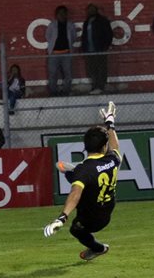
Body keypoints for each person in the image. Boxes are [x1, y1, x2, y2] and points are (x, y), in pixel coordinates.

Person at [42, 101, 120, 261]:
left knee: (75, 229)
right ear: (104, 147)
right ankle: (69, 172)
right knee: (79, 176)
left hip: (90, 219)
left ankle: (99, 248)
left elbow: (75, 194)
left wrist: (62, 217)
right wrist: (110, 123)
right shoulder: (113, 159)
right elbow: (115, 146)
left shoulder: (84, 169)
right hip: (107, 211)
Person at [80, 3, 114, 94]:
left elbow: (109, 34)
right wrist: (84, 49)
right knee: (92, 69)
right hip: (89, 50)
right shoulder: (87, 22)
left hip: (100, 49)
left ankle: (101, 86)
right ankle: (95, 86)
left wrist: (105, 46)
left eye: (93, 9)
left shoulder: (103, 20)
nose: (91, 11)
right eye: (89, 10)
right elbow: (84, 36)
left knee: (101, 68)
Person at [44, 5, 76, 97]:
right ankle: (53, 92)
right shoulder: (52, 25)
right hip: (54, 54)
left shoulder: (70, 25)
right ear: (56, 15)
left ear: (66, 14)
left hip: (66, 53)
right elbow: (48, 36)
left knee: (68, 74)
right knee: (52, 74)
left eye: (64, 13)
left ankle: (66, 91)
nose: (62, 15)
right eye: (60, 13)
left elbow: (73, 37)